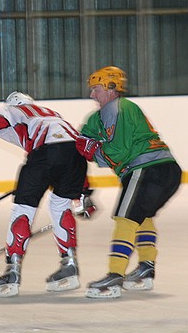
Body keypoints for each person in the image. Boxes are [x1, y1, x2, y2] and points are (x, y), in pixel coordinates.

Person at [0, 91, 93, 298]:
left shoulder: (15, 110)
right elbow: (71, 147)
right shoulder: (51, 114)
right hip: (76, 157)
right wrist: (84, 192)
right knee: (60, 205)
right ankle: (70, 266)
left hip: (45, 154)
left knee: (24, 209)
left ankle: (12, 272)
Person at [76, 66, 182, 299]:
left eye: (96, 89)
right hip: (167, 169)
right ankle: (145, 269)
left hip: (146, 169)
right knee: (141, 217)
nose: (92, 94)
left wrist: (93, 152)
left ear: (111, 88)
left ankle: (115, 275)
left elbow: (118, 151)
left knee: (125, 219)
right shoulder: (101, 116)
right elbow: (83, 139)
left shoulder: (119, 108)